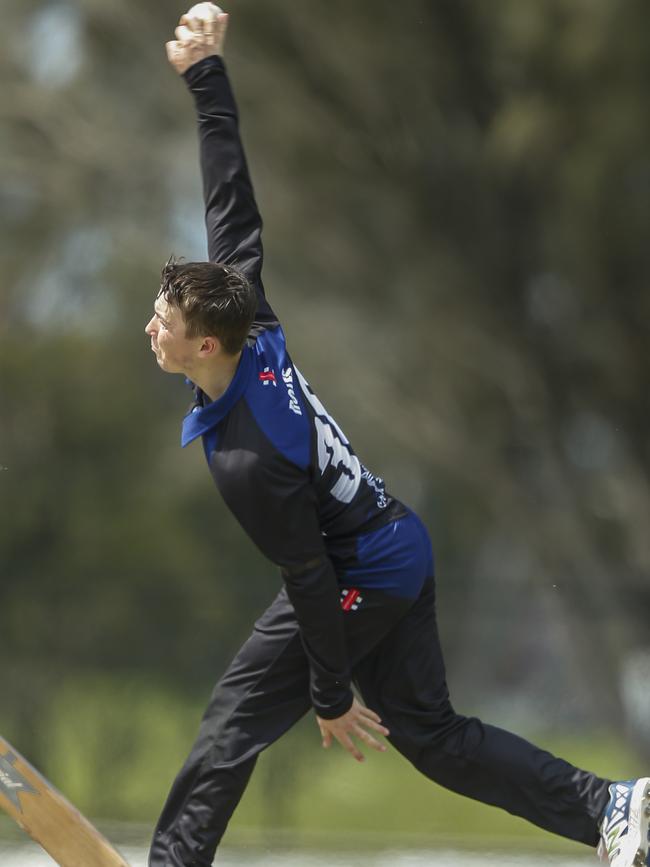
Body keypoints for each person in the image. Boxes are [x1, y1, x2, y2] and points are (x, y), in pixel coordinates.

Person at [146, 5, 649, 866]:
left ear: (204, 343)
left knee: (233, 719)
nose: (148, 325)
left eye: (162, 317)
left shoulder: (249, 459)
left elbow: (308, 579)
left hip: (359, 570)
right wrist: (207, 75)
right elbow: (229, 192)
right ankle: (611, 804)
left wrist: (331, 693)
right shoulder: (248, 313)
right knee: (433, 736)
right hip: (395, 542)